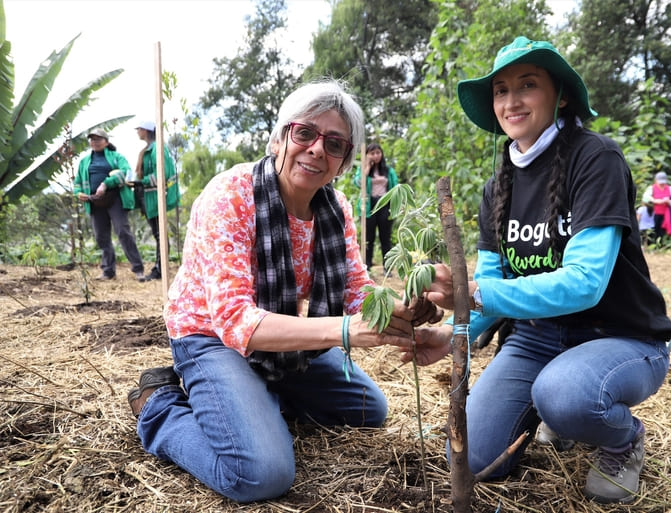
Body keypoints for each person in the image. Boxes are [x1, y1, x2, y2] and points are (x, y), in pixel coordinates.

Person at [126, 80, 441, 503]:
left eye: (334, 143)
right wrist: (345, 331)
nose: (316, 150)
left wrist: (404, 309)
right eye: (305, 133)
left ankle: (254, 394)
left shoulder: (336, 209)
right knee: (261, 474)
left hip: (281, 341)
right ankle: (160, 407)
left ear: (344, 160)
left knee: (370, 410)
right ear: (280, 138)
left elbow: (355, 289)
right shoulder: (231, 196)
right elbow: (236, 322)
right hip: (211, 338)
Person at [402, 36, 671, 504]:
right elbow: (493, 282)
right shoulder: (498, 186)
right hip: (536, 338)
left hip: (617, 334)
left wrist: (476, 294)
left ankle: (622, 438)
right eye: (501, 90)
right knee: (475, 455)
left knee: (565, 395)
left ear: (560, 94)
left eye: (528, 85)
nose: (512, 101)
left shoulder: (595, 160)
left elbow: (586, 284)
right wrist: (451, 334)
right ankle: (557, 416)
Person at [74, 128, 146, 281]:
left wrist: (106, 183)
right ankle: (108, 271)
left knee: (123, 231)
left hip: (115, 198)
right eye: (92, 139)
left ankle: (138, 269)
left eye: (98, 139)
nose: (95, 142)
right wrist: (79, 193)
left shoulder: (116, 157)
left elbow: (125, 172)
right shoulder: (84, 162)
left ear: (106, 142)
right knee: (101, 236)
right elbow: (77, 184)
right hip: (94, 201)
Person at [134, 120, 180, 281]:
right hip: (149, 197)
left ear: (145, 130)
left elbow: (162, 174)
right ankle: (159, 268)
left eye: (138, 128)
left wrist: (141, 181)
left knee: (160, 234)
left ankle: (160, 269)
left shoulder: (158, 149)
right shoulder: (148, 150)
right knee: (157, 234)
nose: (137, 131)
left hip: (156, 197)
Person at [353, 142, 399, 270]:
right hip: (369, 205)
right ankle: (367, 267)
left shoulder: (389, 171)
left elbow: (396, 187)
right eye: (372, 153)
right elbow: (358, 183)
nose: (376, 155)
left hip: (385, 205)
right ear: (367, 155)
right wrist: (367, 166)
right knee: (368, 238)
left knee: (386, 238)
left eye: (378, 152)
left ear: (382, 154)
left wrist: (397, 204)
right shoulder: (363, 169)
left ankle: (387, 267)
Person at [642, 171, 671, 241]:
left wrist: (668, 201)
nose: (662, 184)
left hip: (666, 214)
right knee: (653, 230)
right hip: (654, 214)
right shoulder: (651, 188)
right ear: (656, 181)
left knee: (662, 231)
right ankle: (653, 245)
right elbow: (645, 198)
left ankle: (661, 245)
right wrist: (655, 200)